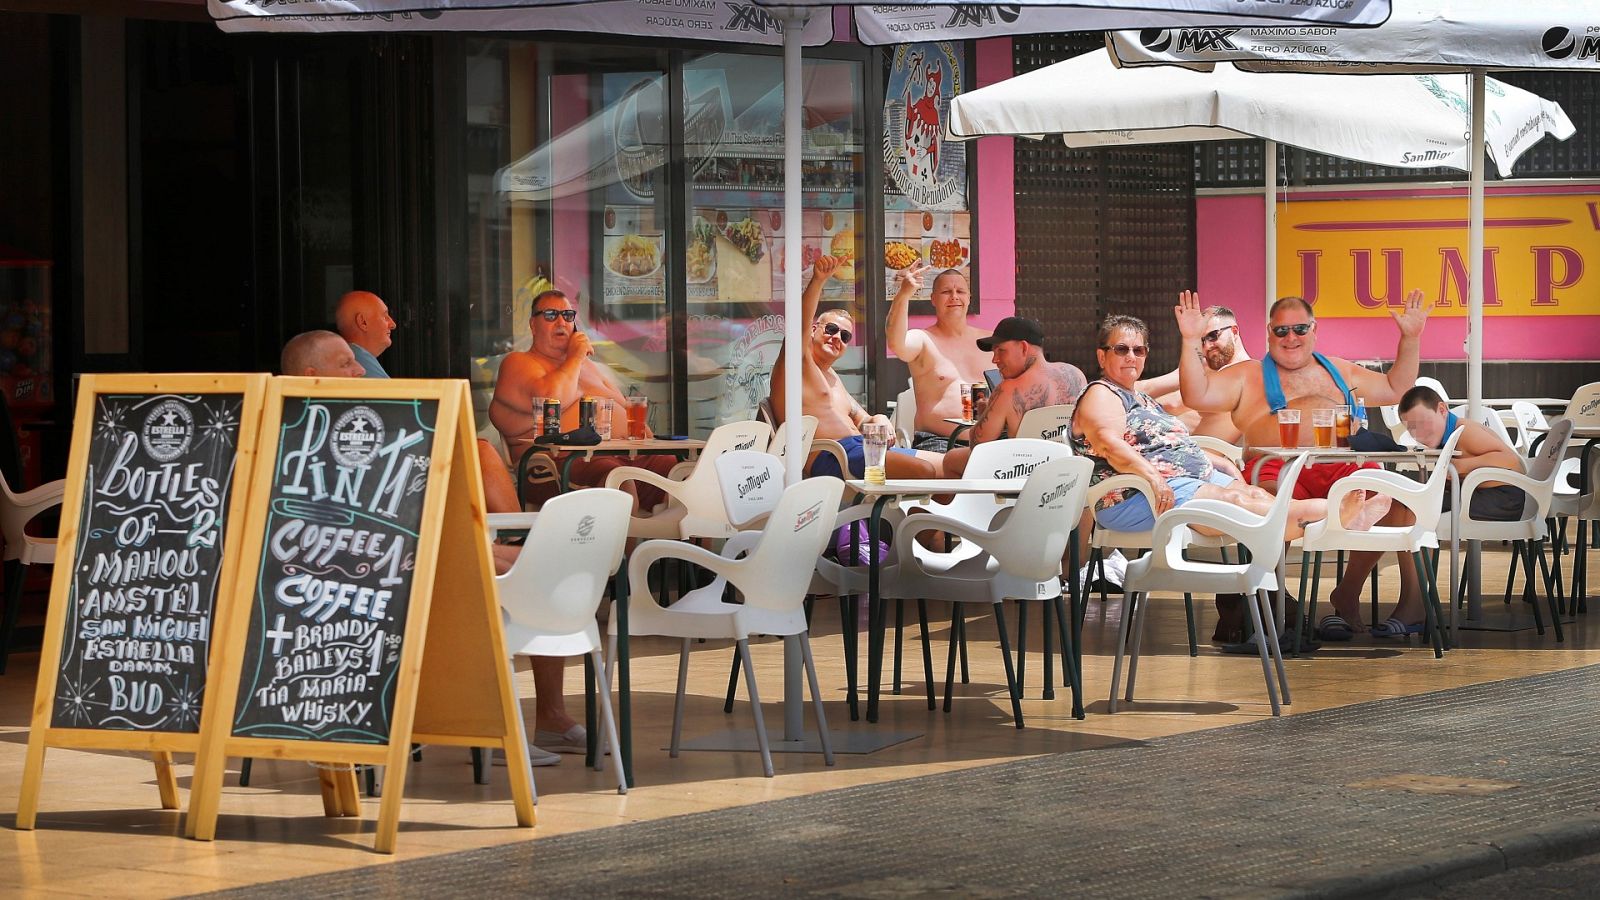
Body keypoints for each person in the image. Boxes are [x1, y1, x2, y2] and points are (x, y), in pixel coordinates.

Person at [283, 328, 579, 767]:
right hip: (350, 574)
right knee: (495, 574)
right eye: (346, 363)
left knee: (526, 568)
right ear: (311, 376)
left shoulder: (367, 422)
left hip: (405, 552)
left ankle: (541, 717)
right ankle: (490, 727)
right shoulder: (297, 435)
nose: (360, 370)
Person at [1173, 290, 1429, 641]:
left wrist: (1410, 338)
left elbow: (1396, 387)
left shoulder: (1339, 369)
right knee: (1270, 501)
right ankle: (1270, 596)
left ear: (1314, 330)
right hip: (1275, 468)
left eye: (1299, 329)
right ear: (1269, 333)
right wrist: (1190, 340)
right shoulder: (1247, 375)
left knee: (1397, 501)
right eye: (1281, 330)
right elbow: (1196, 395)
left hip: (1340, 466)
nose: (1290, 337)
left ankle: (1351, 591)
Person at [1071, 314, 1386, 546]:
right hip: (1135, 495)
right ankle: (1333, 515)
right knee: (1238, 502)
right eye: (1121, 349)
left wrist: (1214, 460)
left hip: (1178, 484)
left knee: (1252, 494)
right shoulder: (1101, 394)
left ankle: (1332, 518)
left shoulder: (1140, 398)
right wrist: (1154, 477)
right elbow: (1109, 444)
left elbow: (1165, 445)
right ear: (1101, 356)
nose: (1131, 357)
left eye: (1138, 351)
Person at [1322, 385, 1529, 639]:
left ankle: (1413, 607)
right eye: (1411, 428)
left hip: (1501, 499)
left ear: (1442, 410)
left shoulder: (1465, 431)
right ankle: (1349, 591)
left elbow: (1512, 462)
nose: (1419, 433)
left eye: (1423, 423)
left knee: (1413, 507)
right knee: (1391, 504)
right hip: (1470, 492)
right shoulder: (1446, 434)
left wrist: (1460, 465)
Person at [489, 289, 678, 510]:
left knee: (681, 473)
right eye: (550, 315)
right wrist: (576, 356)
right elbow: (552, 399)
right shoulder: (519, 362)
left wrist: (647, 439)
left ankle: (673, 534)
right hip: (554, 463)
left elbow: (627, 410)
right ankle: (619, 534)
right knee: (617, 479)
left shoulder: (586, 367)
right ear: (533, 324)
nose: (561, 322)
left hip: (620, 455)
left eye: (568, 315)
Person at [770, 255, 940, 479]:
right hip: (834, 457)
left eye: (845, 336)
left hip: (864, 448)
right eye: (831, 329)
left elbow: (862, 418)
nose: (836, 337)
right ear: (812, 330)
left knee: (953, 464)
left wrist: (879, 418)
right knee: (924, 471)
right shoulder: (795, 365)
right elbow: (797, 326)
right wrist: (818, 281)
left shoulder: (831, 377)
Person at [940, 316, 1086, 478]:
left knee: (951, 459)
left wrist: (984, 415)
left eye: (1001, 350)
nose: (995, 359)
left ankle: (974, 497)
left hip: (1021, 473)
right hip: (1067, 471)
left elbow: (978, 446)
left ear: (1023, 347)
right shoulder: (1075, 375)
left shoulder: (1008, 389)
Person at [885, 263, 993, 451]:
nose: (954, 296)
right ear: (933, 299)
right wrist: (904, 294)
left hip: (990, 443)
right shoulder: (923, 339)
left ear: (969, 298)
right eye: (946, 292)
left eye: (960, 291)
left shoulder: (991, 342)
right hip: (939, 442)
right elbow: (897, 344)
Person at [1136, 303, 1253, 444]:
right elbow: (1150, 386)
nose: (1207, 346)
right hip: (1175, 445)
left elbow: (1174, 404)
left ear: (1234, 332)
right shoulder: (1206, 365)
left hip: (1203, 453)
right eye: (1201, 341)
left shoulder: (1245, 376)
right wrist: (1116, 392)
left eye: (1213, 336)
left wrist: (1126, 407)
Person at [334, 290, 397, 378]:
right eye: (385, 317)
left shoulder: (344, 359)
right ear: (363, 322)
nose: (393, 325)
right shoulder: (358, 361)